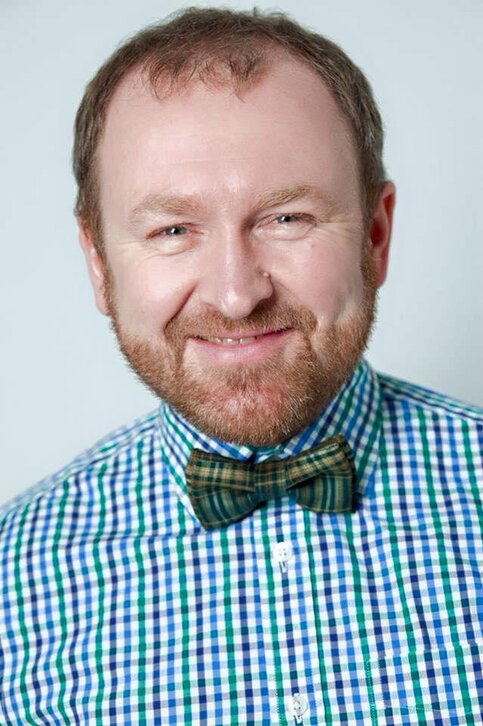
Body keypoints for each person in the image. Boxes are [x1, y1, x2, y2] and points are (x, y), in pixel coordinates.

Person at [1, 6, 482, 724]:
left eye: (287, 219)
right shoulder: (10, 579)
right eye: (172, 230)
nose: (236, 295)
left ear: (375, 237)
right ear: (99, 266)